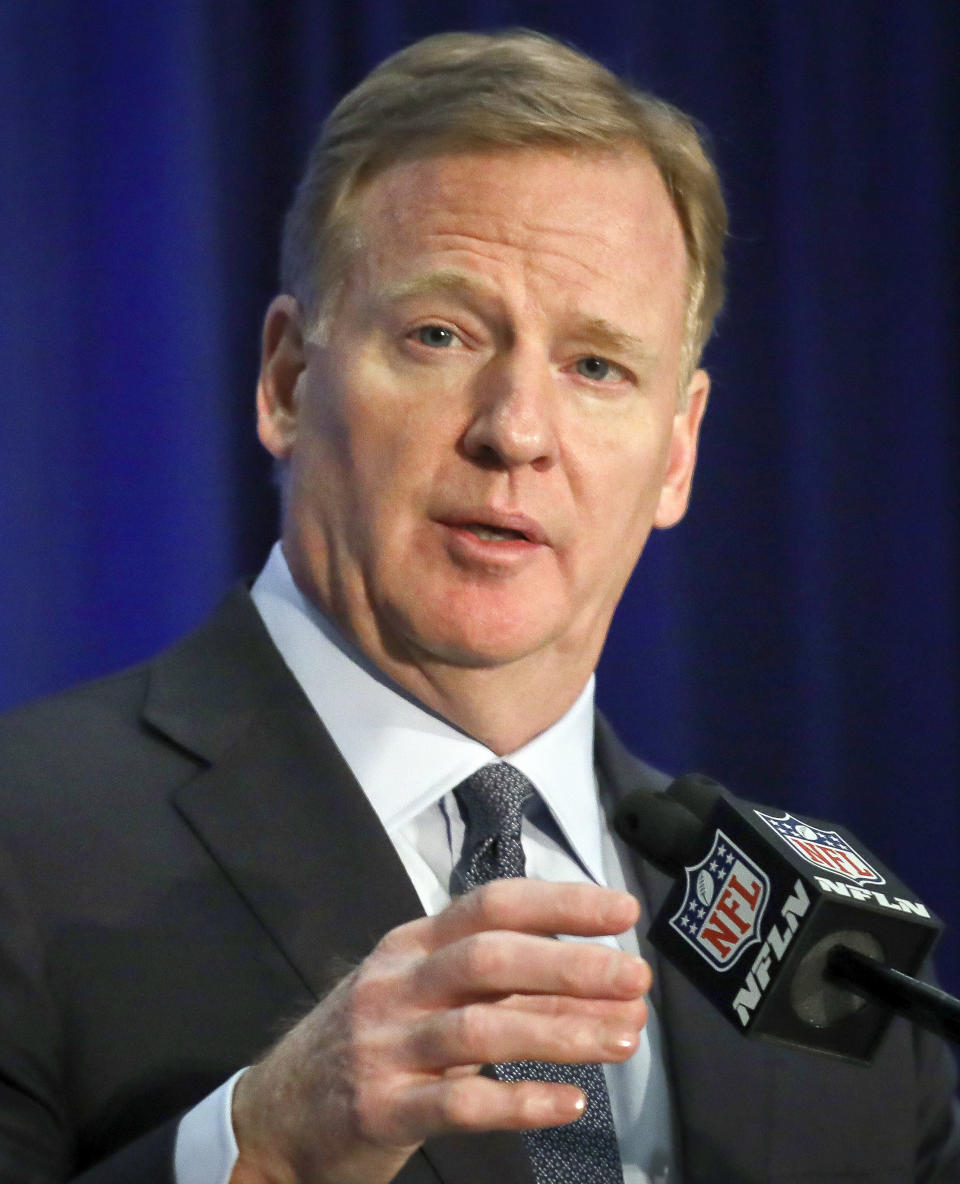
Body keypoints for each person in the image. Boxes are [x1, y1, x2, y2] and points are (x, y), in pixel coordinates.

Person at [0, 28, 957, 1184]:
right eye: (441, 335)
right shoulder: (27, 836)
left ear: (677, 452)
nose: (515, 430)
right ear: (289, 380)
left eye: (596, 366)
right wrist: (262, 1152)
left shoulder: (839, 955)